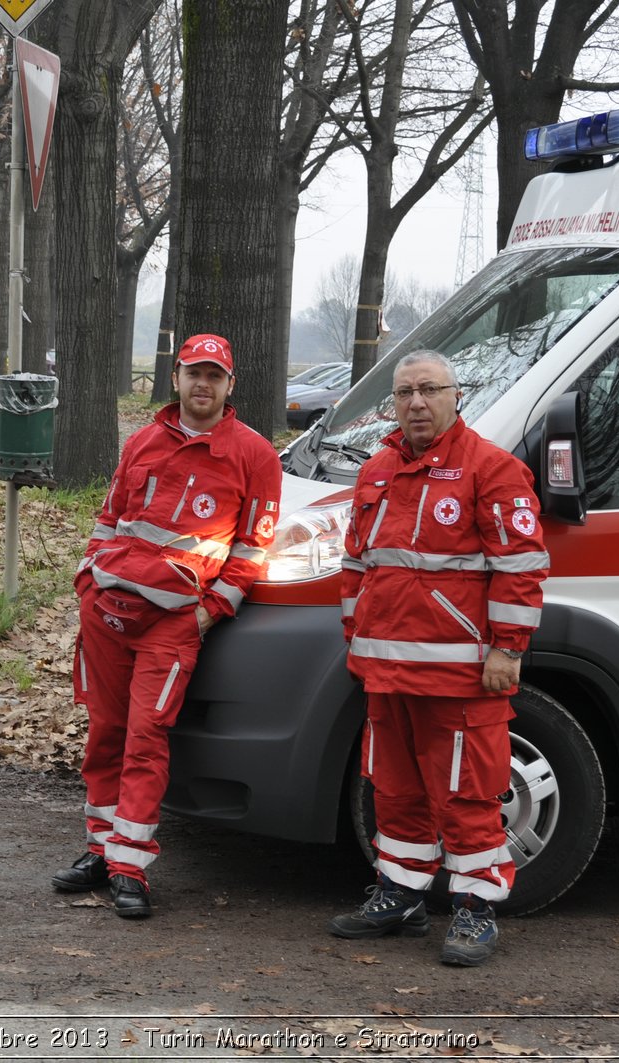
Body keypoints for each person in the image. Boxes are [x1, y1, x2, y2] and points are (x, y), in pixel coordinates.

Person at [329, 350, 549, 967]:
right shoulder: (375, 471)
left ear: (456, 396)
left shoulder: (493, 470)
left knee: (466, 796)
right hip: (386, 673)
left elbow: (521, 568)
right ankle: (401, 893)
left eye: (429, 390)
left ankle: (476, 910)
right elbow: (356, 567)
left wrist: (508, 649)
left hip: (460, 677)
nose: (416, 403)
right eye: (404, 393)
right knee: (395, 790)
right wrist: (356, 637)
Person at [53, 334, 282, 919]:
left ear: (230, 386)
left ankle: (130, 865)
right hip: (106, 613)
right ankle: (101, 851)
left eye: (214, 375)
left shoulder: (255, 456)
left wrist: (209, 612)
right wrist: (88, 578)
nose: (202, 384)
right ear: (176, 377)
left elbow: (253, 550)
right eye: (192, 373)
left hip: (171, 625)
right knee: (105, 731)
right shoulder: (143, 441)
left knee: (145, 737)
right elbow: (110, 518)